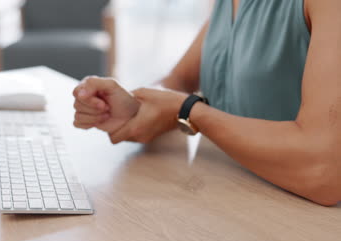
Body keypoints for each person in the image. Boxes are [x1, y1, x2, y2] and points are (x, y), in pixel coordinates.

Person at [72, 0, 341, 206]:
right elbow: (177, 80)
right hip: (236, 198)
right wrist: (135, 105)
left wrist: (191, 111)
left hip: (307, 227)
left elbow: (322, 171)